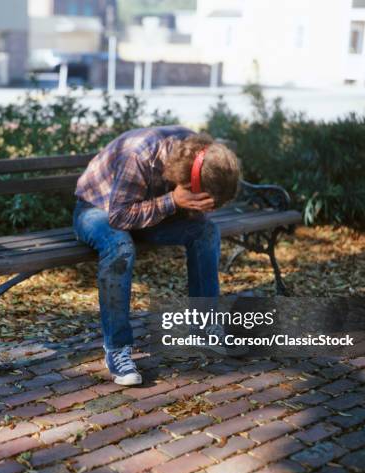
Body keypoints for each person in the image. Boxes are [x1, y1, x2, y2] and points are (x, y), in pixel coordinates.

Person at [73, 126, 242, 385]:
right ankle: (117, 349)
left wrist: (192, 208)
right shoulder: (139, 155)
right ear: (188, 184)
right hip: (99, 209)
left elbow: (192, 215)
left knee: (206, 231)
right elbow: (119, 217)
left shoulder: (199, 155)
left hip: (148, 212)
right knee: (120, 247)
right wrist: (174, 201)